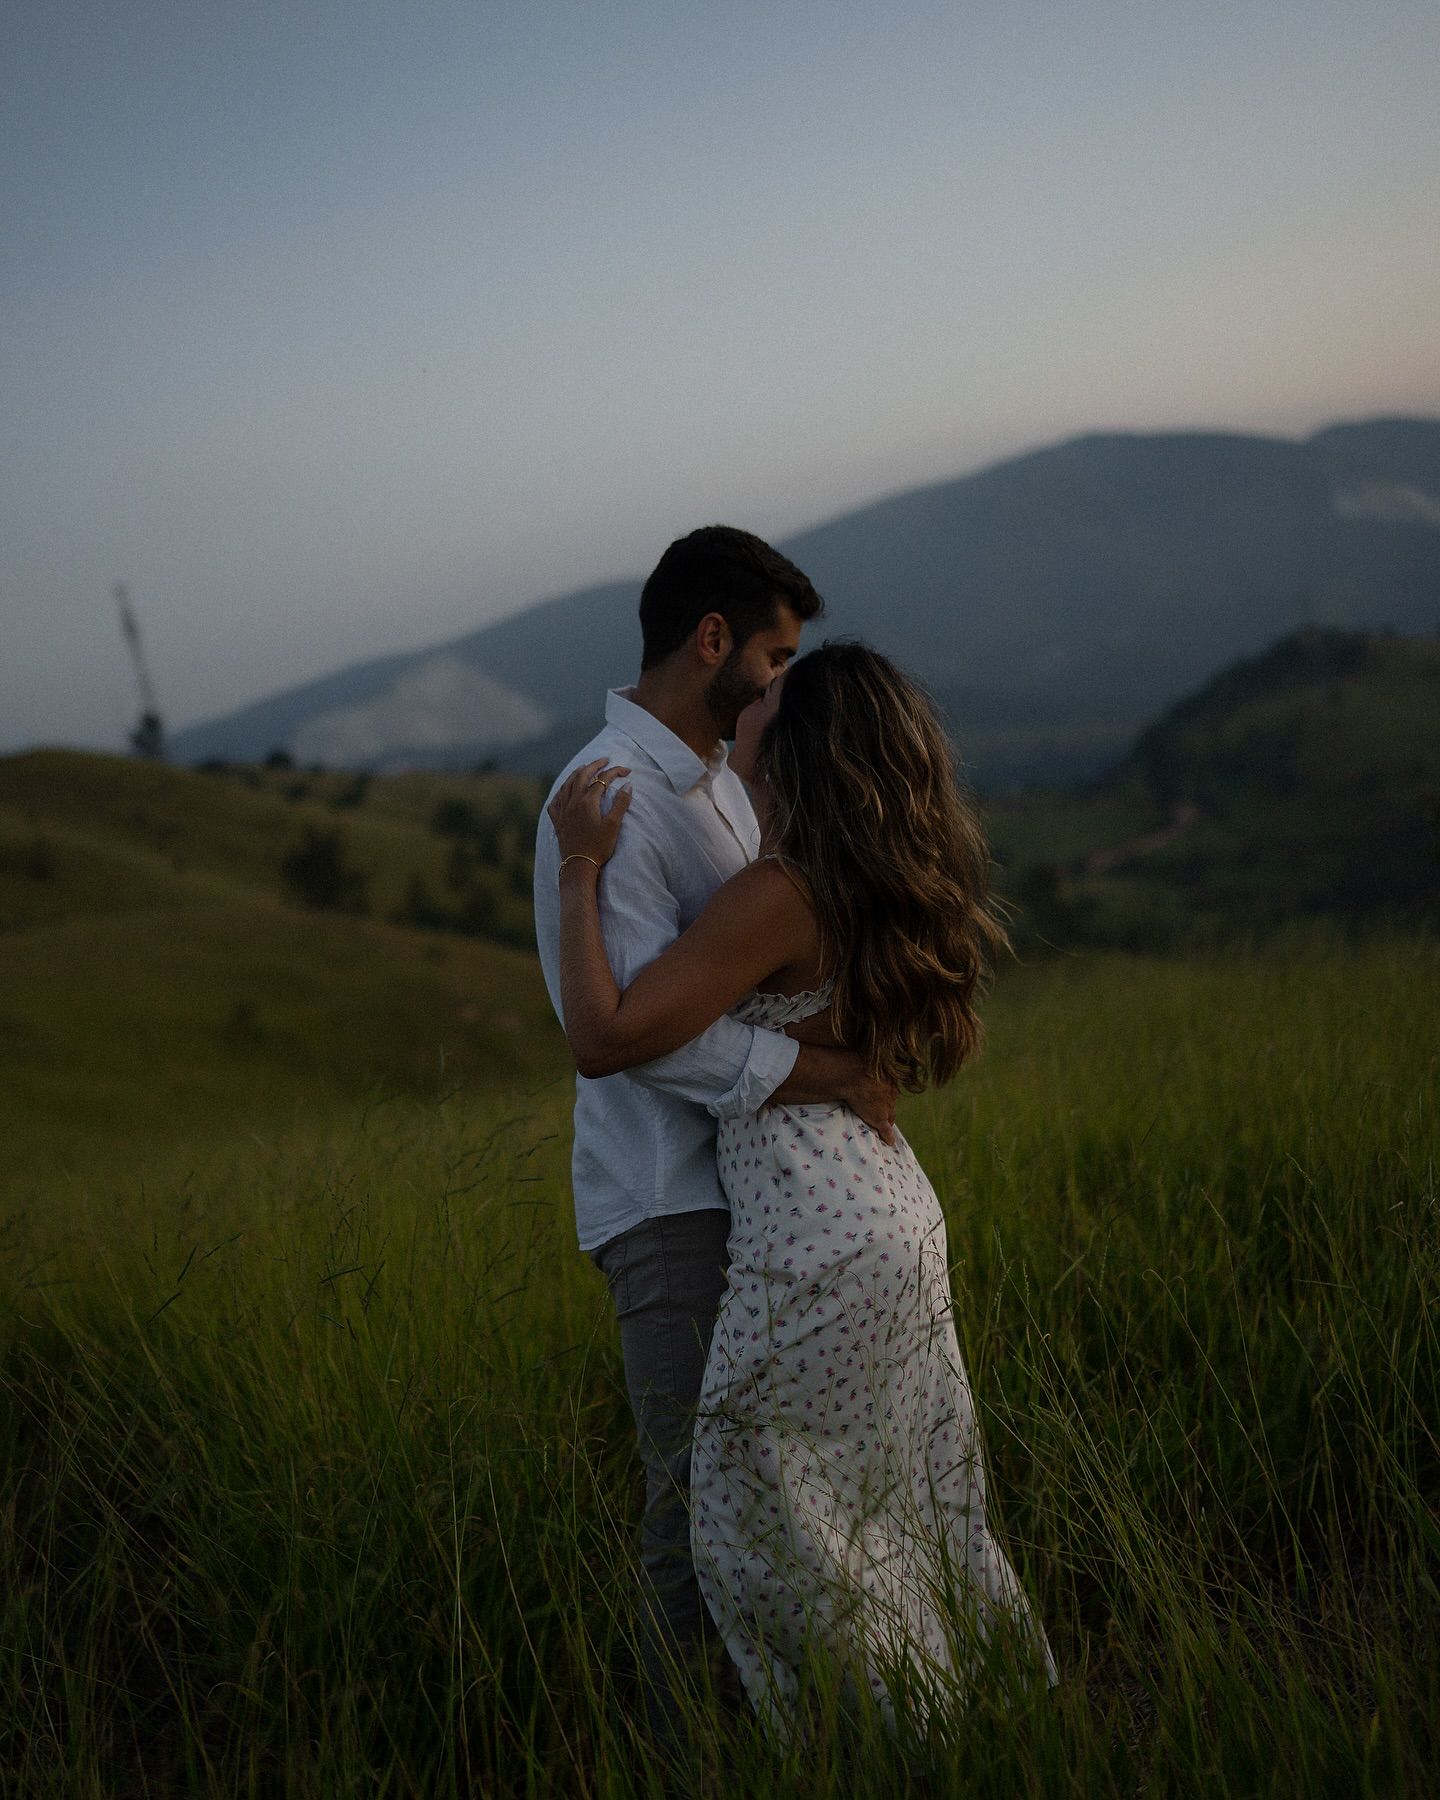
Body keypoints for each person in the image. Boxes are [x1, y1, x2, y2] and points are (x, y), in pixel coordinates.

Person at [546, 640, 1058, 1736]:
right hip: (894, 1211)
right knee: (902, 1501)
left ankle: (870, 1735)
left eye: (771, 695)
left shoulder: (779, 894)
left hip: (814, 1227)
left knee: (752, 1519)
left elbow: (604, 1036)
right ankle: (973, 1710)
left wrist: (579, 867)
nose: (749, 698)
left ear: (794, 747)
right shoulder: (883, 883)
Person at [532, 529, 900, 1734]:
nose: (784, 680)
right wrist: (831, 1070)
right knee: (693, 1503)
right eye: (776, 654)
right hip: (667, 1200)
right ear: (712, 641)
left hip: (759, 1194)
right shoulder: (605, 802)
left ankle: (797, 1727)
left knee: (773, 1494)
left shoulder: (726, 790)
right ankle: (690, 1756)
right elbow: (642, 1037)